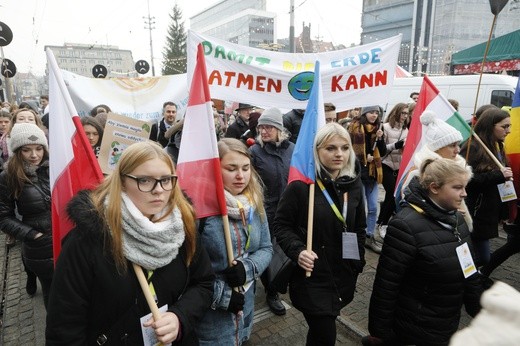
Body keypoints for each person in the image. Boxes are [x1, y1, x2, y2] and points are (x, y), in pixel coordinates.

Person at [46, 141, 215, 345]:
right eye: (145, 180)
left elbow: (203, 284)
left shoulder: (183, 226)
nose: (158, 190)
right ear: (123, 182)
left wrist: (179, 317)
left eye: (166, 180)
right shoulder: (88, 239)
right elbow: (65, 326)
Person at [364, 158, 483, 346]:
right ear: (434, 188)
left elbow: (470, 270)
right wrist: (381, 331)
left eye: (465, 187)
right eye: (457, 187)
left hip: (446, 323)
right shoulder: (405, 225)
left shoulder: (457, 220)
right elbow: (387, 284)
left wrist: (479, 310)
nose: (464, 194)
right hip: (414, 327)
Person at [274, 123, 366, 345]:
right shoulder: (301, 186)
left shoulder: (353, 184)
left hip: (343, 272)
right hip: (313, 276)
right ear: (317, 151)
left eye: (345, 148)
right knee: (326, 334)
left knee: (320, 332)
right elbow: (281, 225)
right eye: (331, 148)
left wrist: (357, 262)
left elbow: (359, 227)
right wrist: (298, 252)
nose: (339, 154)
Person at [197, 138, 273, 345]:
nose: (240, 176)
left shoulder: (254, 202)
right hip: (212, 321)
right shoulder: (199, 210)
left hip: (245, 310)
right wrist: (221, 296)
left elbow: (266, 247)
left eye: (245, 168)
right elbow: (186, 271)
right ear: (215, 170)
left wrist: (247, 269)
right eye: (231, 169)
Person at [0, 123, 54, 307]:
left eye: (39, 148)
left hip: (66, 241)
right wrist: (32, 235)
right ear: (17, 151)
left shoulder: (55, 168)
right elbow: (3, 217)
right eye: (27, 150)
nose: (34, 155)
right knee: (53, 295)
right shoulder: (8, 176)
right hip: (40, 248)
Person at [250, 108, 294, 315]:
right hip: (265, 212)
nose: (264, 131)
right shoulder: (255, 153)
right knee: (268, 253)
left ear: (279, 129)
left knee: (285, 251)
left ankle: (281, 282)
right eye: (261, 127)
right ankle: (271, 291)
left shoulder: (293, 150)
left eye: (269, 127)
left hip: (289, 210)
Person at [397, 110, 471, 234]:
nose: (458, 150)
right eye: (452, 145)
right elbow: (404, 208)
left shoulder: (458, 168)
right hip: (426, 233)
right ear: (437, 148)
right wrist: (449, 213)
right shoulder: (417, 173)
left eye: (458, 145)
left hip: (453, 233)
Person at [461, 108, 513, 268]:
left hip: (488, 212)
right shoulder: (473, 146)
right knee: (481, 257)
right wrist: (498, 175)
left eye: (509, 126)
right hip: (474, 212)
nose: (508, 131)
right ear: (491, 125)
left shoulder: (498, 146)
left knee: (479, 258)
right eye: (504, 126)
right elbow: (465, 178)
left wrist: (505, 210)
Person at [348, 105, 386, 253]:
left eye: (376, 113)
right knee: (361, 208)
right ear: (365, 113)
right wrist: (363, 159)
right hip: (358, 174)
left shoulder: (377, 129)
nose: (374, 115)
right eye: (371, 112)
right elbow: (349, 152)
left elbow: (382, 152)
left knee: (373, 207)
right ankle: (360, 235)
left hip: (372, 175)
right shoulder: (354, 128)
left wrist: (380, 138)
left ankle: (370, 236)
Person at [376, 103, 408, 239]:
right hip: (386, 165)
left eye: (407, 114)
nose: (405, 116)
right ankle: (382, 224)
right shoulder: (386, 127)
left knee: (393, 196)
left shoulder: (406, 129)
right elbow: (382, 149)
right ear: (396, 112)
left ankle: (381, 221)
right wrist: (396, 145)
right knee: (391, 193)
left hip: (399, 166)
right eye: (403, 113)